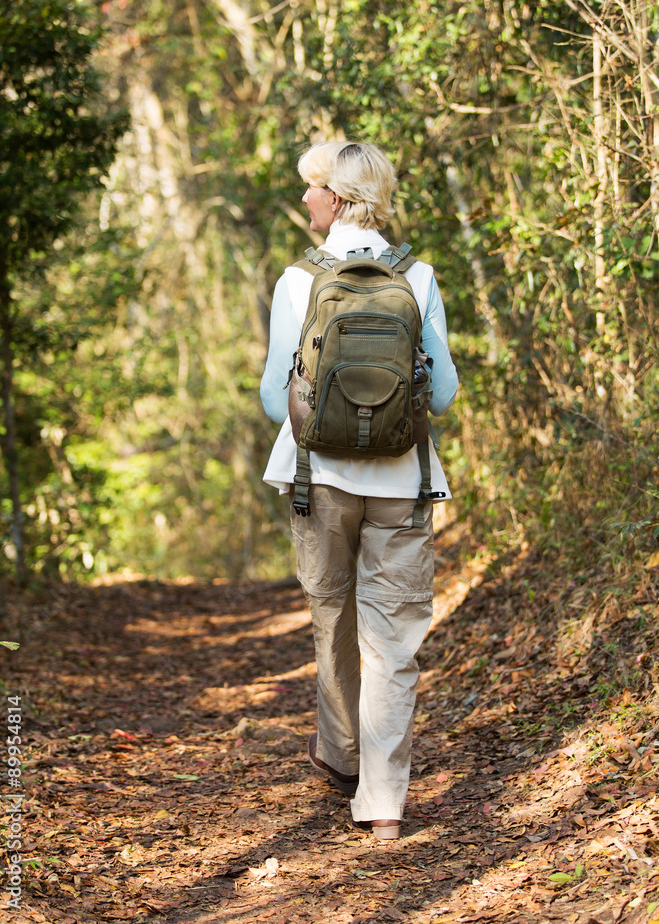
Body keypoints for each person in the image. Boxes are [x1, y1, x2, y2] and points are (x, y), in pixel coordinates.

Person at [260, 141, 458, 840]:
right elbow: (446, 393)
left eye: (314, 188)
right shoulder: (420, 275)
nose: (307, 198)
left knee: (331, 618)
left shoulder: (297, 281)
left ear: (338, 198)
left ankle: (341, 751)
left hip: (319, 480)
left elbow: (268, 399)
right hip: (403, 481)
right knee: (392, 640)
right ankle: (381, 803)